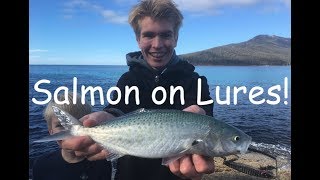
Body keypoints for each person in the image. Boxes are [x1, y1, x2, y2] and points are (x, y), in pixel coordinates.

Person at [60, 0, 215, 179]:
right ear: (138, 39)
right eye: (149, 35)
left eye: (166, 35)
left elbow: (205, 117)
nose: (157, 44)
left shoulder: (194, 81)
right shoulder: (127, 80)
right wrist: (109, 115)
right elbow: (118, 109)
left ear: (176, 38)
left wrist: (200, 113)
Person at [32, 93, 112, 180]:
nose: (73, 133)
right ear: (51, 131)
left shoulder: (105, 160)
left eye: (80, 123)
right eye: (61, 125)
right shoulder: (41, 165)